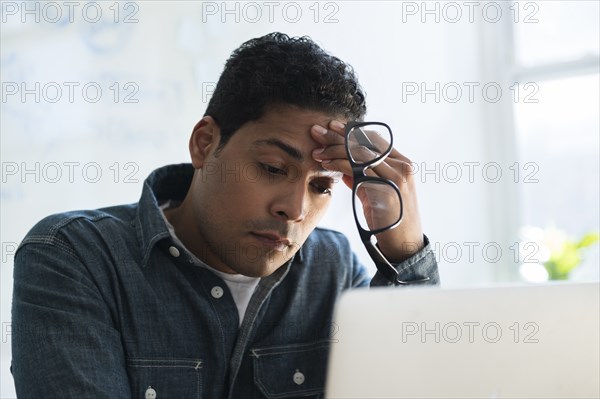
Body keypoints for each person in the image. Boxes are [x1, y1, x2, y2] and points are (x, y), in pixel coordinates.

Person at [11, 32, 439, 398]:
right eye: (273, 169)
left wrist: (404, 254)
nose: (294, 208)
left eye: (321, 185)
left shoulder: (334, 270)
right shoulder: (75, 256)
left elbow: (420, 383)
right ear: (204, 144)